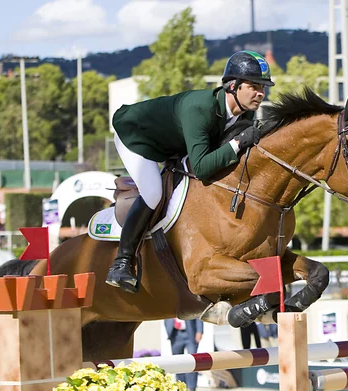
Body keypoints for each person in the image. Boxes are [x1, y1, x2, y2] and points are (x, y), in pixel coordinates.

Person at [105, 50, 275, 292]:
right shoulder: (200, 108)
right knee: (153, 193)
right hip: (136, 137)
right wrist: (237, 144)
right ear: (233, 86)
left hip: (174, 145)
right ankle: (122, 263)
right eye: (254, 86)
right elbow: (204, 167)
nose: (261, 93)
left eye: (264, 87)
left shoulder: (245, 113)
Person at [164, 318, 204, 391]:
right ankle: (180, 386)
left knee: (192, 361)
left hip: (190, 334)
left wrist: (200, 331)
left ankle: (192, 387)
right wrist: (168, 329)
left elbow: (198, 316)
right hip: (175, 334)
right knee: (177, 362)